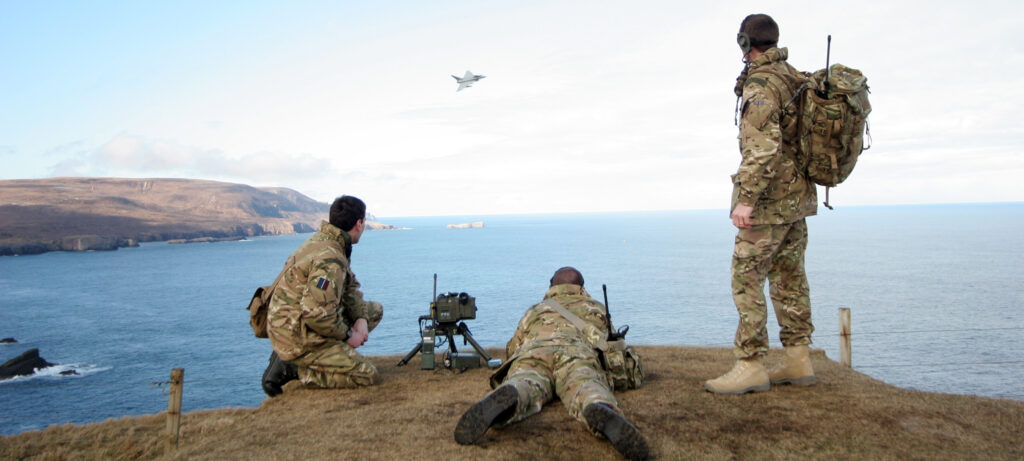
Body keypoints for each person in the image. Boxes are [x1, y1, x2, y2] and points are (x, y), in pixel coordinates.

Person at [705, 14, 819, 395]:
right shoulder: (795, 77)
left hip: (769, 203)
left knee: (746, 279)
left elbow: (764, 148)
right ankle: (798, 358)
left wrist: (747, 200)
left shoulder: (762, 84)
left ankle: (751, 364)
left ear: (744, 42)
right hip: (797, 200)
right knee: (789, 278)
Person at [454, 267, 649, 461]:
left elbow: (513, 348)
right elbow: (611, 346)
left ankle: (514, 393)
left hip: (535, 351)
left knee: (525, 379)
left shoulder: (536, 310)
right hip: (576, 352)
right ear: (581, 287)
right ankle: (596, 403)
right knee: (585, 382)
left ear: (552, 285)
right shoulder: (596, 308)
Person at [261, 195, 384, 396]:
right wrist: (349, 336)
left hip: (294, 321)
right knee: (366, 375)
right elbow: (317, 314)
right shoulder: (330, 258)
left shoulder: (328, 242)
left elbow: (349, 288)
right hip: (296, 334)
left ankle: (330, 355)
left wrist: (361, 318)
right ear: (359, 223)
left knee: (374, 311)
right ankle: (293, 368)